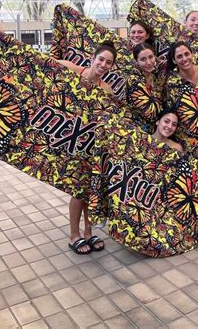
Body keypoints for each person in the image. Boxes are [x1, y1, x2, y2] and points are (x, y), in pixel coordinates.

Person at [58, 42, 117, 255]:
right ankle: (74, 234)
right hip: (72, 142)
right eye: (101, 59)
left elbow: (111, 119)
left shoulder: (106, 89)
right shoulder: (73, 71)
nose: (103, 64)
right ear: (93, 57)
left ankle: (88, 231)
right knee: (77, 190)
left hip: (93, 145)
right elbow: (42, 64)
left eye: (108, 62)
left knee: (91, 188)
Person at [126, 43, 163, 126]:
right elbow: (150, 113)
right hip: (140, 129)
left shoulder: (156, 75)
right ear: (136, 61)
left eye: (151, 57)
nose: (149, 62)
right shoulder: (134, 81)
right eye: (143, 59)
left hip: (160, 125)